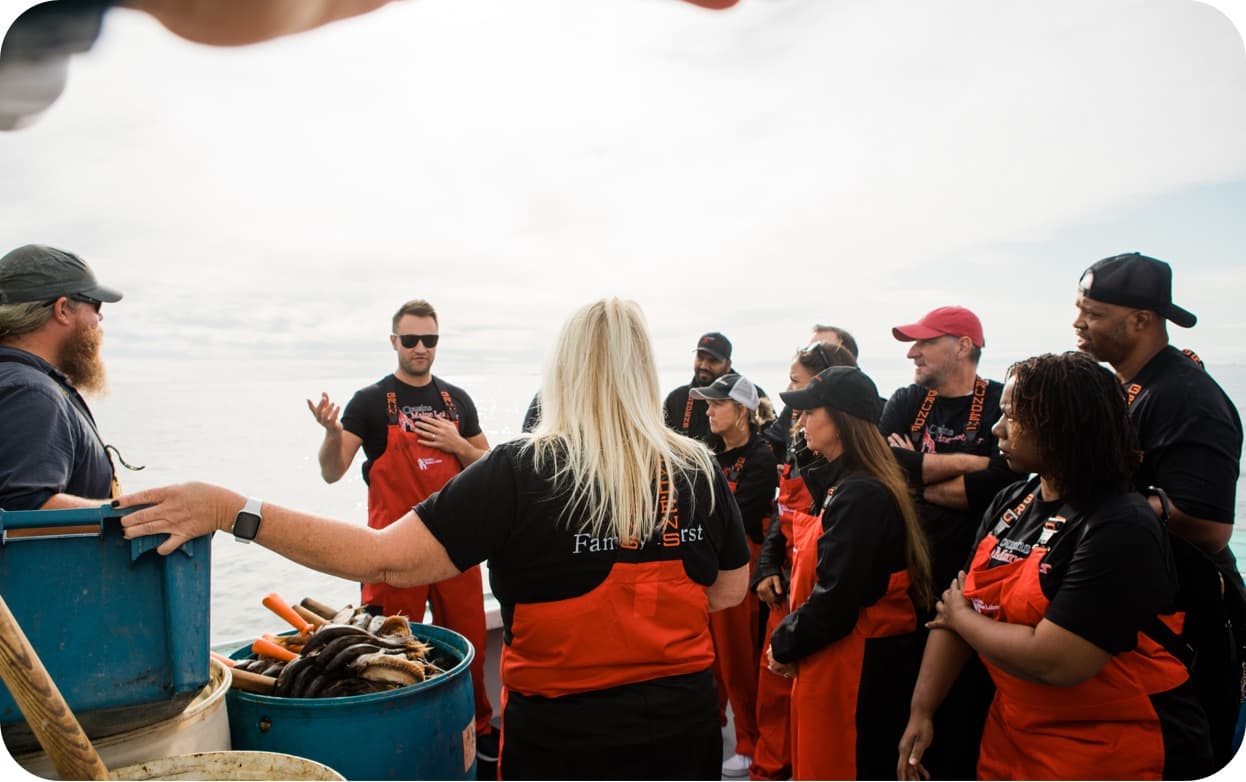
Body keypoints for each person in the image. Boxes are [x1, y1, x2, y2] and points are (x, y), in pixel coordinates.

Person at [116, 297, 750, 780]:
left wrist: (231, 509)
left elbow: (381, 559)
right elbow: (727, 592)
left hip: (564, 738)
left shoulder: (520, 469)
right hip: (683, 728)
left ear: (564, 370)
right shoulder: (698, 468)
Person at [898, 351, 1214, 781]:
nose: (996, 429)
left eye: (1011, 416)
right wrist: (922, 711)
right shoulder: (1013, 501)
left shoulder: (1120, 524)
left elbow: (1057, 660)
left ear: (1062, 424)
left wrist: (964, 619)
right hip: (1013, 741)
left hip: (1115, 749)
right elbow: (956, 613)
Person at [305, 298, 497, 760]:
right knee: (386, 655)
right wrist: (331, 434)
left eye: (428, 340)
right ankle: (396, 747)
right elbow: (333, 472)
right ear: (394, 342)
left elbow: (492, 465)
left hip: (456, 549)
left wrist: (455, 442)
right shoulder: (370, 402)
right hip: (391, 554)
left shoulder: (457, 402)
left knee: (469, 649)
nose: (419, 348)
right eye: (410, 339)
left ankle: (480, 740)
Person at [763, 366, 934, 780]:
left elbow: (837, 598)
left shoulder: (860, 494)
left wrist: (782, 644)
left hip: (855, 677)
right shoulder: (848, 486)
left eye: (809, 412)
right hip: (834, 665)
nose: (799, 422)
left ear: (840, 420)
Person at [879, 304, 1022, 779]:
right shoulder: (904, 399)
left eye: (924, 343)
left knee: (965, 718)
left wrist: (916, 473)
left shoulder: (1002, 403)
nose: (912, 354)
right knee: (903, 712)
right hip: (905, 586)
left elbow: (1004, 482)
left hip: (974, 592)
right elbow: (886, 471)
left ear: (962, 346)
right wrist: (971, 461)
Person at [1073, 252, 1243, 586]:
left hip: (1180, 611)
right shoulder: (1122, 385)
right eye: (1079, 308)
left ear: (1141, 320)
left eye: (1092, 313)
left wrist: (1080, 505)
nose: (1078, 322)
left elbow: (1209, 527)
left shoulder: (1187, 397)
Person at [749, 340, 855, 781]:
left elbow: (842, 586)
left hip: (819, 599)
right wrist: (768, 565)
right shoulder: (802, 448)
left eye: (797, 386)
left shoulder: (855, 485)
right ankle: (769, 769)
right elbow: (785, 513)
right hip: (788, 584)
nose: (794, 405)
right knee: (773, 689)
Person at [688, 372, 778, 778]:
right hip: (704, 563)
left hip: (740, 565)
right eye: (707, 404)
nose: (708, 412)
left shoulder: (761, 456)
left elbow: (735, 515)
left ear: (741, 410)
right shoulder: (704, 451)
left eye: (717, 404)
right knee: (707, 656)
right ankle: (715, 726)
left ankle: (748, 741)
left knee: (739, 658)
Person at [0, 243, 126, 509]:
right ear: (63, 309)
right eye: (95, 304)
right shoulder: (30, 393)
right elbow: (26, 511)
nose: (100, 317)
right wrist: (148, 516)